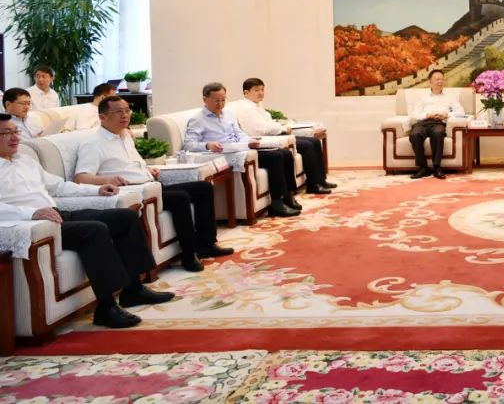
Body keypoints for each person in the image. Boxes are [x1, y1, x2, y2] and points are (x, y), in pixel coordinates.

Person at [0, 112, 174, 328]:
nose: (15, 137)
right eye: (6, 133)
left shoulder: (25, 160)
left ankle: (134, 289)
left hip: (57, 214)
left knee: (125, 217)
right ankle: (106, 308)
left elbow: (58, 186)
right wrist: (30, 213)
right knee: (94, 230)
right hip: (35, 225)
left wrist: (96, 189)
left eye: (15, 131)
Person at [74, 96, 234, 273]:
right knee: (180, 197)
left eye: (127, 110)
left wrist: (148, 170)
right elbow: (81, 178)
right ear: (102, 117)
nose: (125, 115)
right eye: (118, 112)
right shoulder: (93, 143)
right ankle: (189, 254)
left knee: (203, 188)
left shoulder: (125, 136)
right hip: (134, 192)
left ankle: (206, 244)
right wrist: (106, 180)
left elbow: (132, 165)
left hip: (151, 185)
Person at [184, 82, 300, 218]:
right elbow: (189, 145)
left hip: (241, 148)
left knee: (285, 153)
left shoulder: (228, 113)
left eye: (223, 100)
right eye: (216, 101)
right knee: (275, 157)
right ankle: (276, 203)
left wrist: (249, 141)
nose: (220, 104)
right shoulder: (197, 119)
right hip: (225, 154)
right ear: (205, 100)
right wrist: (207, 145)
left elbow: (239, 133)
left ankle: (288, 195)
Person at [233, 77, 336, 195]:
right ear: (246, 93)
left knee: (314, 141)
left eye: (262, 89)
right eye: (256, 90)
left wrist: (281, 126)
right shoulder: (246, 109)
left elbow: (268, 124)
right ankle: (313, 185)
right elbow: (261, 129)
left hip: (276, 134)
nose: (261, 93)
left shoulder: (257, 105)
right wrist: (282, 128)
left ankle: (320, 180)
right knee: (308, 145)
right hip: (268, 139)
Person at [408, 70, 464, 180]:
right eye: (437, 79)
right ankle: (423, 168)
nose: (440, 81)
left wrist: (446, 114)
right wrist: (427, 115)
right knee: (415, 135)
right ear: (430, 81)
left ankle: (437, 167)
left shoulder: (450, 96)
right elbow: (415, 113)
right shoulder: (422, 96)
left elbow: (461, 111)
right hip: (424, 122)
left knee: (438, 134)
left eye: (442, 79)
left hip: (439, 122)